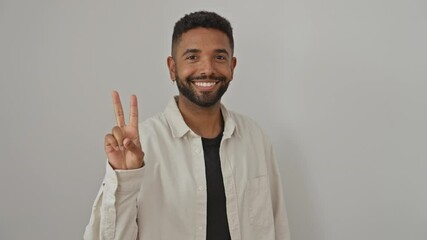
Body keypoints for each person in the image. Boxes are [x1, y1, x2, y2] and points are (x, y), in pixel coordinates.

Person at [84, 11, 290, 240]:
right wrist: (125, 178)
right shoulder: (140, 145)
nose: (207, 69)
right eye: (193, 57)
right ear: (172, 68)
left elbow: (277, 226)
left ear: (232, 66)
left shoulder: (255, 138)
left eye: (219, 57)